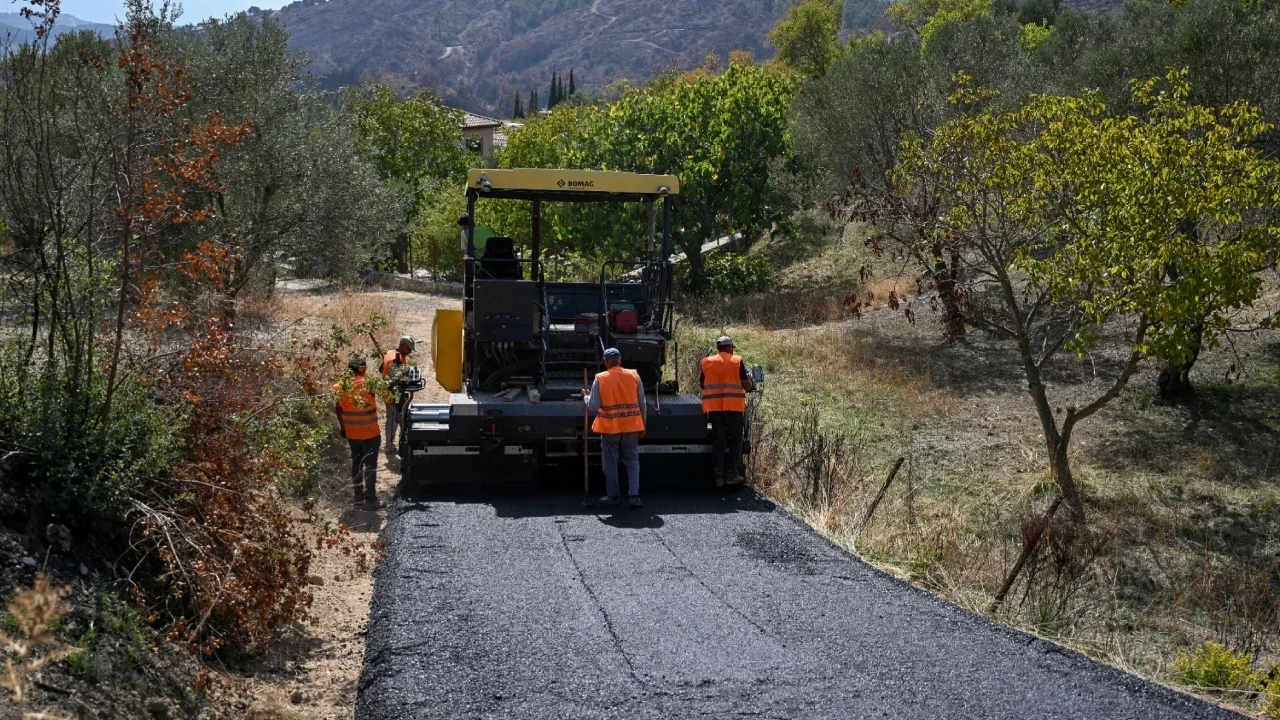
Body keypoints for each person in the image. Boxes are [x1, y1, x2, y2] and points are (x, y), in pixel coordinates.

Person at [585, 348, 647, 507]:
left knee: (611, 462)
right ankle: (634, 496)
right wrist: (642, 424)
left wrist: (586, 397)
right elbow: (642, 403)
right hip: (632, 426)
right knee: (632, 460)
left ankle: (613, 496)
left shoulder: (601, 379)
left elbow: (593, 406)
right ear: (620, 360)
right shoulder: (634, 375)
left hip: (610, 429)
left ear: (605, 362)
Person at [700, 335, 753, 487]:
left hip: (714, 409)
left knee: (718, 441)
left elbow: (703, 385)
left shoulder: (707, 362)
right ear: (729, 347)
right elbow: (745, 384)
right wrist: (749, 383)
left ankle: (718, 477)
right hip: (733, 408)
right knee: (736, 441)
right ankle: (732, 474)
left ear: (718, 348)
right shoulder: (736, 361)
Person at [334, 356, 381, 508]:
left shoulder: (341, 386)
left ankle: (358, 498)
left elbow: (338, 409)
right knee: (370, 465)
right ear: (362, 369)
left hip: (352, 433)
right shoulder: (369, 384)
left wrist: (343, 427)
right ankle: (371, 499)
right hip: (370, 432)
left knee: (357, 463)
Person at [381, 336, 414, 456]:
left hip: (391, 394)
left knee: (394, 419)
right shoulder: (396, 358)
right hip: (393, 396)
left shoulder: (390, 353)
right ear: (402, 344)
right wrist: (398, 399)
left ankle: (391, 444)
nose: (410, 351)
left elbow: (382, 370)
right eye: (409, 348)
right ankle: (389, 446)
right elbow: (393, 381)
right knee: (393, 420)